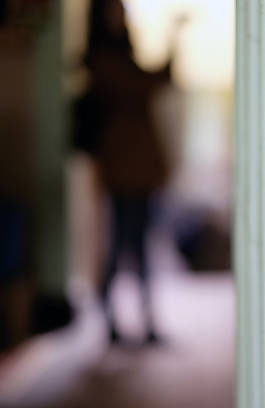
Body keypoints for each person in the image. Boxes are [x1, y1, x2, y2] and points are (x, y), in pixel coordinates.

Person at [73, 0, 170, 344]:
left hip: (136, 171)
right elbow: (146, 84)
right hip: (122, 171)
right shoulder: (103, 62)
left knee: (137, 245)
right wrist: (174, 39)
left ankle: (138, 320)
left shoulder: (116, 60)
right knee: (122, 246)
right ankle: (114, 320)